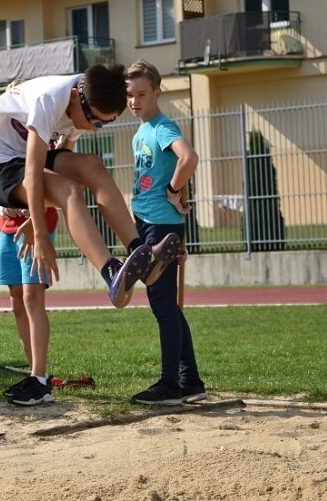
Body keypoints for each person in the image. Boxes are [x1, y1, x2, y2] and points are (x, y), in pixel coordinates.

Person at [0, 64, 178, 308]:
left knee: (91, 164)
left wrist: (37, 211)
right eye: (94, 121)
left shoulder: (89, 95)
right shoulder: (48, 100)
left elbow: (61, 157)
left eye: (104, 123)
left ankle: (140, 252)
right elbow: (34, 172)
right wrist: (39, 233)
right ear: (73, 98)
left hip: (27, 157)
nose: (94, 128)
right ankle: (110, 272)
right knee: (69, 190)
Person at [125, 59, 207, 405]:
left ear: (158, 91)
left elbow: (188, 158)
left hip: (161, 226)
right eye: (129, 94)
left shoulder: (161, 127)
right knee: (168, 305)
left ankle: (170, 385)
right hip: (149, 224)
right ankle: (189, 380)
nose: (134, 101)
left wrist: (174, 191)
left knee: (162, 307)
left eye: (142, 93)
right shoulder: (140, 131)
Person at [0, 203, 59, 406]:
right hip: (7, 229)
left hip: (37, 225)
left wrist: (33, 209)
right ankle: (37, 377)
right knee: (17, 301)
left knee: (32, 297)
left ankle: (39, 378)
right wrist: (0, 208)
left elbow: (53, 186)